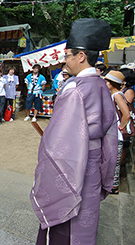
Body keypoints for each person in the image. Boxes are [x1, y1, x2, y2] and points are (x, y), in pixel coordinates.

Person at [30, 18, 118, 245]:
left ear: (80, 56)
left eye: (67, 55)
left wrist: (45, 161)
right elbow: (110, 135)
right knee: (86, 221)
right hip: (93, 165)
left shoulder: (74, 89)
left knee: (66, 219)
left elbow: (58, 141)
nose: (65, 60)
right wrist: (105, 172)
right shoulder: (101, 85)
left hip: (72, 166)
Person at [104, 70, 130, 195]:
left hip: (116, 134)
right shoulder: (113, 94)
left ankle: (113, 186)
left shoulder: (117, 95)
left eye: (107, 81)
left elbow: (126, 114)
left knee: (114, 160)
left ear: (112, 83)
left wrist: (120, 127)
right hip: (112, 133)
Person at [119, 67, 135, 167]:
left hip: (124, 122)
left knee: (123, 146)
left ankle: (120, 167)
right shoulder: (123, 90)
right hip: (120, 120)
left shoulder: (129, 91)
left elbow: (125, 108)